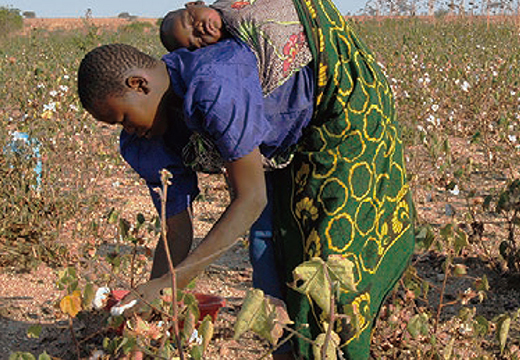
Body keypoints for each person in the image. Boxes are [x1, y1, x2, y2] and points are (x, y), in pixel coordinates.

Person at [77, 0, 415, 358]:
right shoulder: (144, 140)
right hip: (274, 143)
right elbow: (175, 229)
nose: (127, 130)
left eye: (124, 118)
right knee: (276, 256)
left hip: (338, 110)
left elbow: (251, 198)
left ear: (138, 84)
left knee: (333, 253)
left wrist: (172, 287)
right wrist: (153, 300)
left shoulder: (213, 83)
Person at [160, 0, 313, 96]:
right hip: (318, 44)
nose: (200, 29)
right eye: (196, 40)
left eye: (192, 20)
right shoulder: (236, 54)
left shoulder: (228, 3)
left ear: (195, 3)